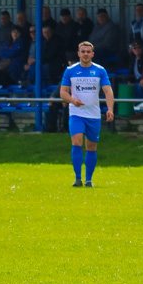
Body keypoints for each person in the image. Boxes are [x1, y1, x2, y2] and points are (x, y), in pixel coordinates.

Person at [59, 41, 115, 188]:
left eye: (88, 52)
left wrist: (110, 109)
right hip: (76, 113)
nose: (85, 54)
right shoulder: (70, 70)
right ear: (78, 54)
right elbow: (63, 92)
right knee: (76, 142)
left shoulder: (99, 71)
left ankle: (88, 180)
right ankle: (78, 179)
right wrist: (73, 100)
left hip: (94, 114)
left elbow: (108, 91)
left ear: (92, 54)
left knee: (91, 147)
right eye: (82, 52)